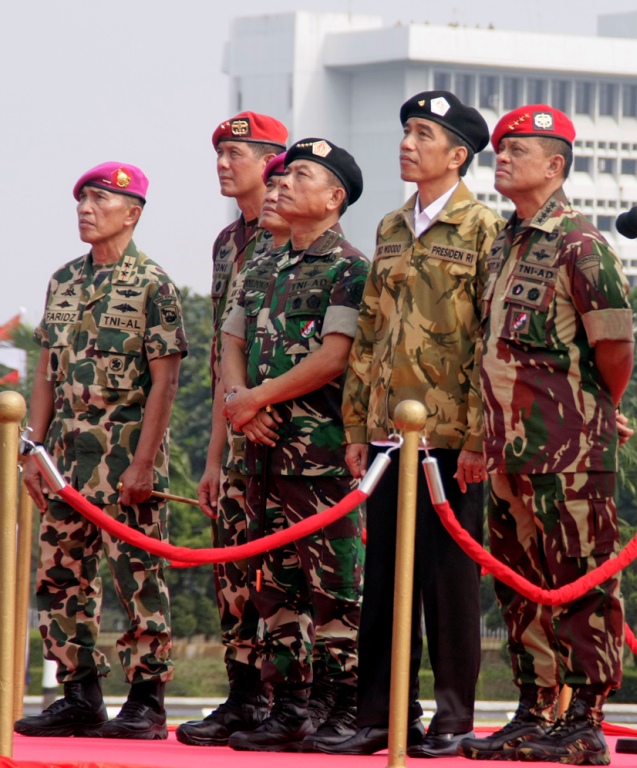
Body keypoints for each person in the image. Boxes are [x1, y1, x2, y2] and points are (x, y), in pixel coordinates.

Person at [459, 104, 634, 766]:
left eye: (518, 150)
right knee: (521, 585)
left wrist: (593, 409)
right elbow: (490, 349)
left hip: (570, 451)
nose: (501, 158)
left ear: (555, 165)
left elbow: (615, 347)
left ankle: (584, 717)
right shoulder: (504, 242)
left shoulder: (581, 247)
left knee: (580, 582)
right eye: (499, 150)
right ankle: (535, 708)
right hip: (507, 449)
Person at [329, 90, 502, 757]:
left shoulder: (483, 228)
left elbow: (491, 341)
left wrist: (482, 436)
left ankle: (454, 720)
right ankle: (382, 713)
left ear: (457, 154)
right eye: (406, 131)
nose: (408, 143)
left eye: (423, 134)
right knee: (385, 584)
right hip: (386, 435)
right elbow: (369, 333)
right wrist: (354, 428)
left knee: (449, 584)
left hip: (452, 441)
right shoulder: (391, 228)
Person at [16, 163, 187, 740]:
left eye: (98, 199)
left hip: (125, 460)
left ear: (131, 212)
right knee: (60, 576)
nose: (85, 208)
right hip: (64, 461)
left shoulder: (153, 285)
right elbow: (45, 372)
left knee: (137, 575)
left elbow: (165, 383)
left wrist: (143, 462)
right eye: (82, 199)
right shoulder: (63, 280)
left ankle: (146, 698)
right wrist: (32, 451)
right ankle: (80, 693)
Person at [220, 138, 369, 752]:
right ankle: (289, 705)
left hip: (321, 453)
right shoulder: (259, 264)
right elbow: (230, 340)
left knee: (333, 585)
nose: (278, 185)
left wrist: (259, 398)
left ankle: (343, 706)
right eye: (277, 178)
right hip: (260, 453)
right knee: (274, 582)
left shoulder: (349, 268)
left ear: (334, 198)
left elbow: (335, 358)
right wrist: (238, 400)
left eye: (297, 177)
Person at [177, 111, 287, 748]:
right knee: (233, 568)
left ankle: (288, 698)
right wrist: (214, 457)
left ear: (272, 157)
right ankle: (243, 694)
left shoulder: (295, 232)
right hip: (237, 426)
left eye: (236, 152)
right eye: (219, 152)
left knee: (283, 572)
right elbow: (224, 356)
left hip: (284, 427)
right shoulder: (227, 243)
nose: (223, 163)